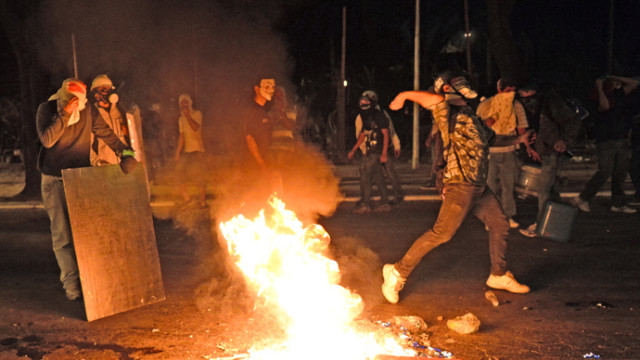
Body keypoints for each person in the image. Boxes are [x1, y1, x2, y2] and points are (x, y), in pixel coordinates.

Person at [380, 70, 530, 304]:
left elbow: (492, 140)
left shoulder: (470, 114)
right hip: (460, 184)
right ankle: (397, 272)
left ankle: (498, 275)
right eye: (458, 83)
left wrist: (518, 140)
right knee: (442, 233)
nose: (465, 84)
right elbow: (433, 100)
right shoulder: (446, 111)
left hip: (478, 186)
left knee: (500, 223)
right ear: (447, 89)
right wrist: (403, 95)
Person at [36, 78, 136, 301]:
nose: (74, 104)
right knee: (62, 236)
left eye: (77, 101)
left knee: (89, 234)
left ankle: (94, 281)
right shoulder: (47, 109)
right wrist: (65, 114)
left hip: (81, 179)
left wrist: (126, 153)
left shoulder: (88, 111)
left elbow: (108, 135)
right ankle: (72, 286)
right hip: (54, 180)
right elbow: (48, 141)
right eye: (69, 100)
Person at [517, 82, 582, 237]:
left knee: (544, 189)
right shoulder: (538, 105)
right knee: (550, 189)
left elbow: (573, 121)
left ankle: (541, 226)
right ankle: (553, 225)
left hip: (554, 151)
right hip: (548, 150)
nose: (524, 98)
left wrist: (564, 140)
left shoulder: (551, 103)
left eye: (525, 93)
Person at [476, 78, 537, 229]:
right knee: (490, 187)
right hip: (489, 152)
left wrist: (528, 147)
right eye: (507, 91)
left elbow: (521, 129)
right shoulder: (486, 105)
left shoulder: (516, 106)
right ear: (500, 90)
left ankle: (507, 216)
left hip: (509, 151)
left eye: (512, 91)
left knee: (508, 186)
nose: (510, 94)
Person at [573, 76, 638, 214]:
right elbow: (605, 106)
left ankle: (618, 203)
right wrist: (600, 87)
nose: (615, 85)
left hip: (621, 138)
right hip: (606, 140)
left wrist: (614, 76)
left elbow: (634, 83)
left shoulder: (619, 95)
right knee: (605, 171)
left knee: (620, 172)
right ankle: (583, 198)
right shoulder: (596, 96)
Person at [355, 90, 404, 206]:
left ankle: (397, 195)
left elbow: (390, 131)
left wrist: (396, 145)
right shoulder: (361, 116)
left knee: (389, 172)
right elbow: (360, 134)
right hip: (371, 150)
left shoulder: (382, 114)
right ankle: (367, 199)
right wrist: (364, 150)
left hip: (383, 149)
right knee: (367, 174)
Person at [348, 91, 391, 213]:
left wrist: (384, 153)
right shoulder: (365, 116)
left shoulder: (379, 115)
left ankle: (365, 205)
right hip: (369, 151)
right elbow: (363, 134)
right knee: (378, 178)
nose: (363, 104)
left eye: (366, 102)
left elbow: (386, 134)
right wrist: (353, 150)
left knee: (365, 175)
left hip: (376, 152)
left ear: (371, 103)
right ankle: (385, 203)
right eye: (361, 102)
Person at [88, 74, 132, 166]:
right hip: (106, 167)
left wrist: (130, 158)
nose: (106, 92)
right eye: (103, 90)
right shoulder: (92, 115)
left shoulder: (121, 111)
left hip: (125, 165)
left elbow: (131, 140)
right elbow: (87, 146)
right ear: (95, 94)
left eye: (108, 89)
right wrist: (97, 163)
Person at [174, 93, 207, 208]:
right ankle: (187, 198)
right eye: (182, 103)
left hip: (198, 151)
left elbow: (195, 128)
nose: (184, 104)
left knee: (199, 176)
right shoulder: (181, 119)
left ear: (190, 103)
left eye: (186, 102)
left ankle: (203, 202)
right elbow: (182, 136)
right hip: (187, 151)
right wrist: (178, 152)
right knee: (178, 172)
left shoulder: (197, 114)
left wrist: (188, 116)